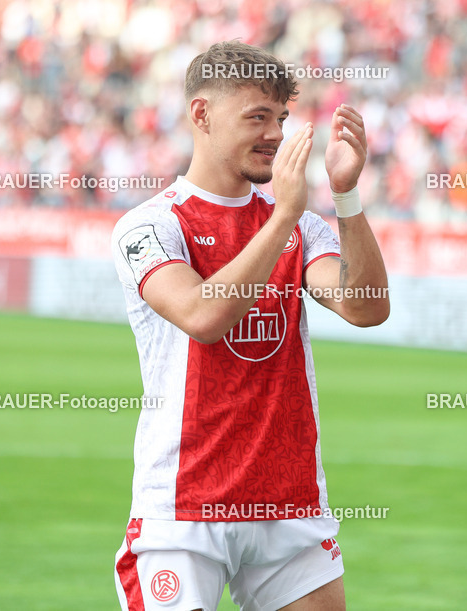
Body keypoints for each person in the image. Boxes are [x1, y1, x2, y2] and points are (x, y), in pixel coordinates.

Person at [111, 40, 389, 611]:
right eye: (256, 117)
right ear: (202, 115)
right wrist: (283, 214)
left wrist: (346, 195)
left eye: (281, 118)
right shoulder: (151, 226)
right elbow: (203, 316)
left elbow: (365, 306)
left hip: (290, 506)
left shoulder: (302, 226)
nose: (274, 134)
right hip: (183, 511)